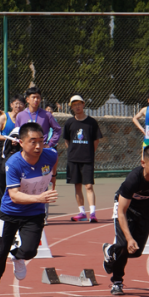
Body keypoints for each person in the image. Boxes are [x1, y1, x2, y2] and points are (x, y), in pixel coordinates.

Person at [0, 122, 58, 297]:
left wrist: (52, 178)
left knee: (31, 251)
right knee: (1, 250)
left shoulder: (51, 155)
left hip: (34, 213)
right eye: (33, 141)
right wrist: (40, 198)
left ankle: (17, 256)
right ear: (21, 143)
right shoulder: (14, 163)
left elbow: (54, 162)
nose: (38, 146)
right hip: (10, 212)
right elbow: (15, 196)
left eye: (41, 141)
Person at [101, 145, 149, 295]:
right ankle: (117, 282)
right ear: (143, 163)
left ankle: (110, 250)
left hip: (146, 208)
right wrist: (129, 238)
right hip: (126, 208)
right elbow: (121, 212)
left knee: (135, 252)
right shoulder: (133, 180)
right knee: (124, 245)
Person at [61, 95, 102, 223]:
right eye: (74, 105)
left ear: (83, 104)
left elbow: (96, 140)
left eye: (79, 104)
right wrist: (72, 152)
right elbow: (67, 140)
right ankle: (82, 213)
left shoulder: (92, 122)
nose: (77, 106)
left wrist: (89, 152)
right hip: (73, 159)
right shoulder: (69, 122)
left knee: (88, 186)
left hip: (87, 159)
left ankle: (93, 213)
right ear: (71, 107)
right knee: (77, 186)